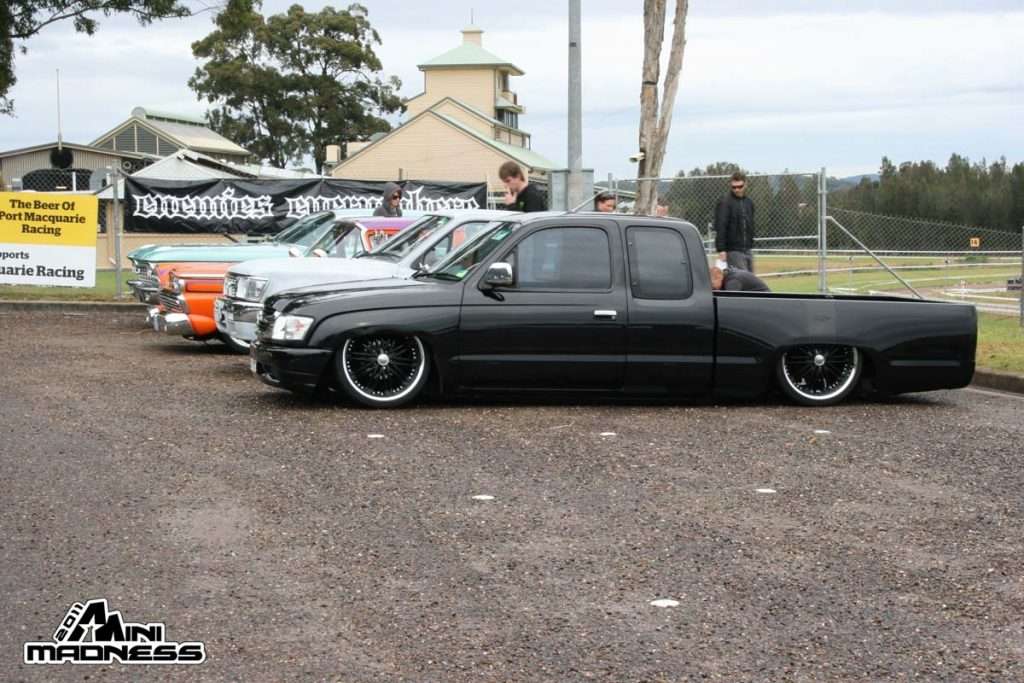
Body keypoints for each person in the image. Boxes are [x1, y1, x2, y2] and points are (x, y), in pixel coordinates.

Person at [714, 171, 755, 272]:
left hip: (747, 248)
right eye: (734, 187)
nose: (737, 189)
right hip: (733, 250)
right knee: (743, 280)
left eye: (740, 186)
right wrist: (721, 249)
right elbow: (721, 225)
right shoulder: (725, 202)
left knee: (752, 280)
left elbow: (750, 224)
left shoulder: (749, 203)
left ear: (745, 184)